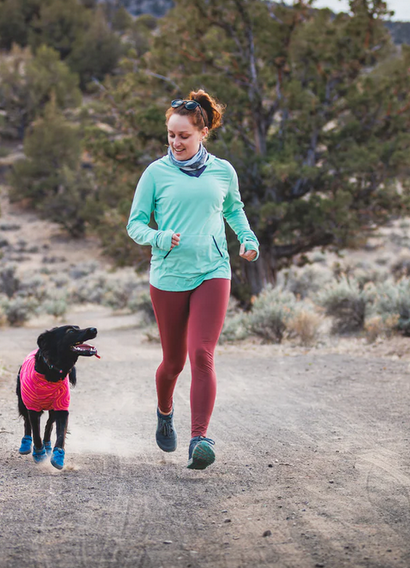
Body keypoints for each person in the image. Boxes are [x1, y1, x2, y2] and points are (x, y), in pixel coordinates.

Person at [126, 89, 260, 470]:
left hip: (212, 270)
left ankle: (199, 438)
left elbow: (234, 210)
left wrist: (247, 239)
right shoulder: (155, 174)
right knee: (173, 362)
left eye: (184, 135)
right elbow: (134, 224)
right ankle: (164, 411)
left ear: (202, 133)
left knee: (202, 354)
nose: (176, 142)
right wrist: (158, 237)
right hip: (168, 275)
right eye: (171, 134)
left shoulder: (223, 171)